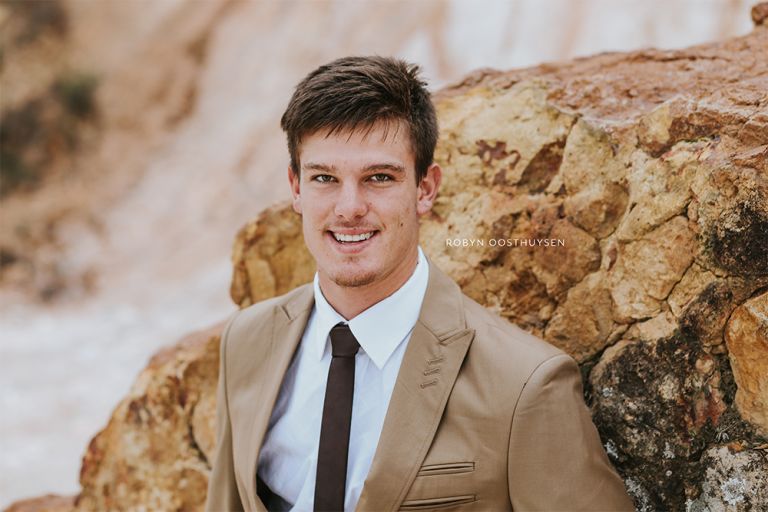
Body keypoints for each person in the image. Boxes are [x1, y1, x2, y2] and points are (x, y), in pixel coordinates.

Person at [205, 56, 634, 512]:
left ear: (425, 189)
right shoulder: (247, 341)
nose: (349, 208)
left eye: (379, 178)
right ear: (296, 188)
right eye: (324, 178)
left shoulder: (525, 385)